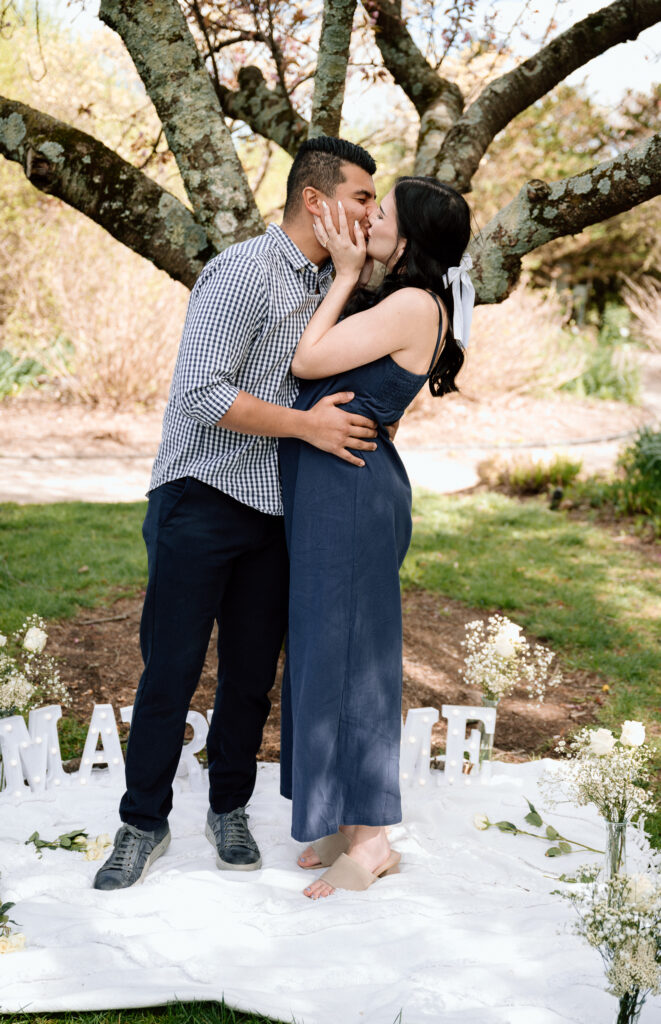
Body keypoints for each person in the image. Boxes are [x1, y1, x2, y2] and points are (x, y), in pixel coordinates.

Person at [93, 136, 382, 891]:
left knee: (251, 678)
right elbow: (202, 395)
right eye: (359, 197)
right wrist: (307, 427)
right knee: (172, 670)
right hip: (201, 495)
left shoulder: (337, 283)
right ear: (315, 202)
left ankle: (228, 808)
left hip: (280, 511)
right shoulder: (240, 273)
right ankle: (140, 823)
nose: (371, 211)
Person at [278, 175, 474, 899]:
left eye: (380, 212)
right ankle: (336, 815)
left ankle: (372, 841)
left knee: (354, 654)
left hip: (351, 489)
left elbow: (308, 360)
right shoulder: (404, 303)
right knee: (320, 646)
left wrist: (345, 274)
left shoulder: (410, 303)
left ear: (409, 236)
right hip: (332, 481)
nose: (367, 219)